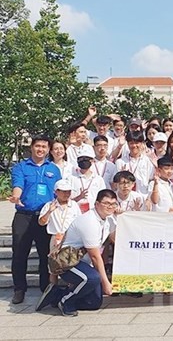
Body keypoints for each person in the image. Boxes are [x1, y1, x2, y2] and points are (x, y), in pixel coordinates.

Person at [35, 189, 118, 316]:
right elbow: (95, 256)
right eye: (106, 203)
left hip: (83, 263)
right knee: (92, 278)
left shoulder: (109, 220)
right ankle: (65, 301)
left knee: (94, 303)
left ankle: (56, 295)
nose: (110, 207)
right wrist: (106, 283)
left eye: (113, 204)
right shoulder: (89, 221)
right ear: (96, 204)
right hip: (67, 262)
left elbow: (114, 239)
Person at [9, 135, 61, 304]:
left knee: (45, 254)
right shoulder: (21, 167)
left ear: (48, 150)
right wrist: (16, 196)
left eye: (44, 147)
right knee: (19, 254)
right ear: (32, 147)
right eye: (37, 146)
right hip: (24, 216)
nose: (40, 149)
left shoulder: (54, 169)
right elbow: (18, 184)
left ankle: (45, 288)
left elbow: (58, 191)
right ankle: (19, 289)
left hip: (45, 216)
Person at [38, 179, 81, 284]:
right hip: (56, 238)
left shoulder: (74, 205)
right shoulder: (49, 205)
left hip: (71, 238)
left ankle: (71, 290)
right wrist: (49, 211)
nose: (67, 194)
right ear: (56, 192)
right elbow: (41, 222)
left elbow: (80, 221)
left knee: (72, 264)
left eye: (68, 191)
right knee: (53, 268)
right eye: (64, 191)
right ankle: (53, 291)